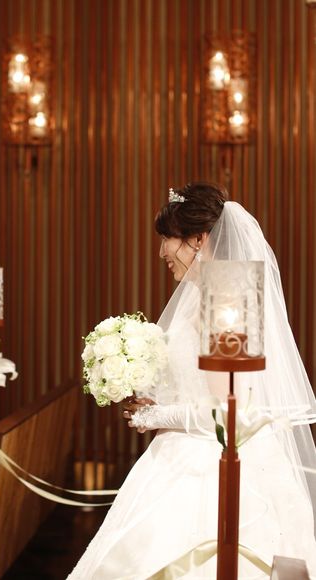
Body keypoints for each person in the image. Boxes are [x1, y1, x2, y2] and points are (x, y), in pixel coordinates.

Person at [69, 182, 316, 579]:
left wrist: (155, 416)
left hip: (212, 464)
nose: (161, 251)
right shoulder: (201, 297)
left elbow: (229, 416)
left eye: (168, 238)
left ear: (199, 239)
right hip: (184, 450)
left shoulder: (225, 300)